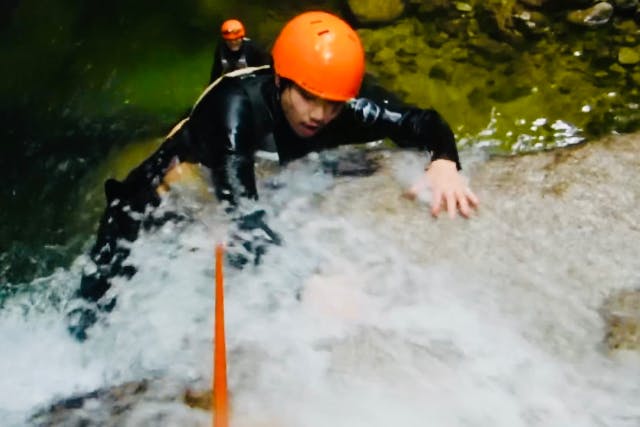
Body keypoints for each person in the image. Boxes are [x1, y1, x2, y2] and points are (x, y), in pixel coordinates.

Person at [67, 11, 479, 340]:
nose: (320, 114)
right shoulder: (234, 108)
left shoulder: (342, 107)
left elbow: (420, 121)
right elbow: (241, 211)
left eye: (333, 104)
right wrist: (308, 282)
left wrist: (444, 160)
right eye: (308, 97)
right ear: (281, 80)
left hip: (236, 179)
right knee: (97, 302)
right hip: (167, 190)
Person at [209, 18, 271, 84]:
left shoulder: (254, 48)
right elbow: (216, 70)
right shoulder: (221, 49)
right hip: (231, 84)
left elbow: (266, 69)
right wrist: (211, 85)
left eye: (236, 39)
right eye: (229, 40)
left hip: (252, 83)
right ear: (225, 40)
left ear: (242, 37)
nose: (233, 43)